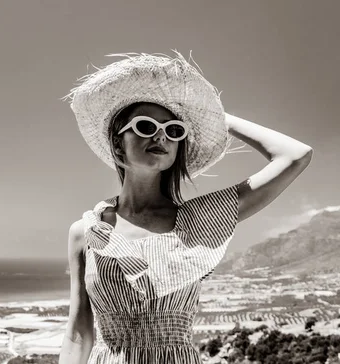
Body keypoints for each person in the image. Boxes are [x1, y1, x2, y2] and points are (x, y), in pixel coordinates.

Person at [59, 51, 313, 364]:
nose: (161, 136)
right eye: (146, 126)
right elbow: (78, 332)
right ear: (117, 142)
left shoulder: (200, 220)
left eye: (174, 130)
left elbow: (295, 155)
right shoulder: (86, 231)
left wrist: (214, 117)